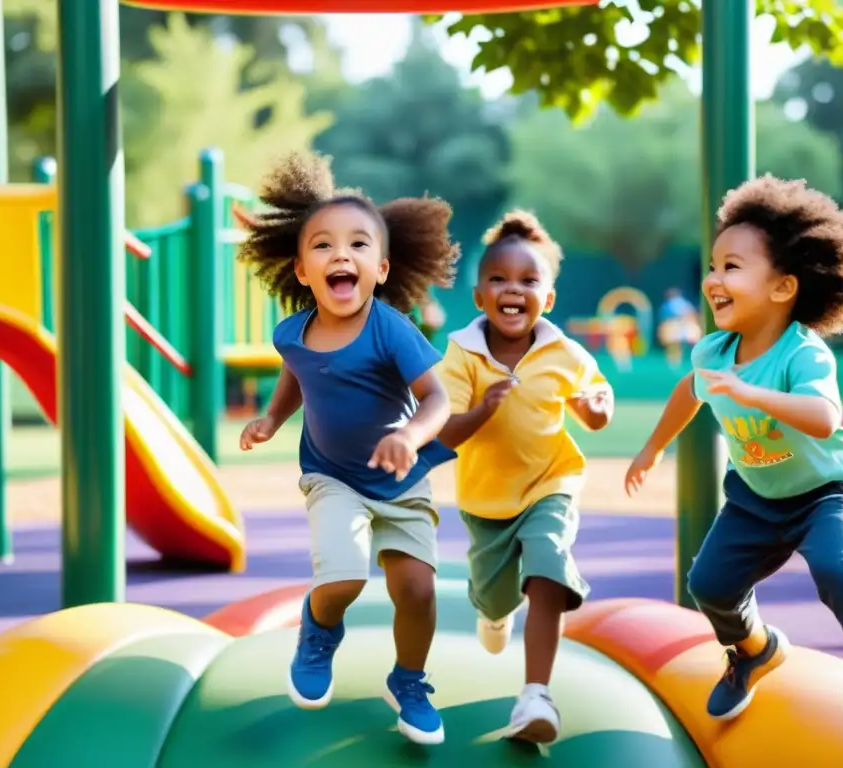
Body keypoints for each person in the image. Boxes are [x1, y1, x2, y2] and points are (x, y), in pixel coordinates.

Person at [623, 176, 843, 744]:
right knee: (710, 584)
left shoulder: (803, 352)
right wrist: (653, 447)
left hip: (828, 488)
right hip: (756, 495)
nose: (713, 280)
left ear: (783, 287)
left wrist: (753, 395)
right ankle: (754, 651)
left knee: (837, 569)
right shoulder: (714, 350)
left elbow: (823, 417)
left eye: (732, 267)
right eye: (713, 265)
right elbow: (688, 390)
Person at [236, 152, 460, 745]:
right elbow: (297, 372)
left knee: (416, 589)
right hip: (332, 476)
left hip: (402, 479)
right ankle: (319, 628)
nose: (342, 255)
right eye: (325, 246)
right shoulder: (290, 332)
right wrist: (272, 418)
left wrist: (410, 436)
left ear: (381, 269)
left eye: (359, 246)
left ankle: (409, 679)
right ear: (301, 270)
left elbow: (437, 398)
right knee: (342, 575)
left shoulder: (391, 328)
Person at [436, 210, 614, 745]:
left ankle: (536, 692)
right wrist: (483, 409)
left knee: (547, 568)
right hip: (486, 500)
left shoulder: (565, 352)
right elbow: (445, 433)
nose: (513, 289)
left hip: (550, 483)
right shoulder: (462, 353)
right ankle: (493, 613)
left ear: (548, 299)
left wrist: (596, 405)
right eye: (499, 279)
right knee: (494, 599)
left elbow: (595, 408)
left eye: (528, 281)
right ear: (478, 296)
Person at [657, 287, 702, 367]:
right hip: (673, 324)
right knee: (674, 344)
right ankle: (674, 360)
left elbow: (690, 313)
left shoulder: (682, 302)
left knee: (681, 343)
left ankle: (677, 360)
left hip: (682, 325)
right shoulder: (669, 304)